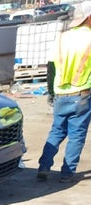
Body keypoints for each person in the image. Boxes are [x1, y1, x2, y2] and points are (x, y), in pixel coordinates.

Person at [36, 0, 91, 183]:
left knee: (57, 131)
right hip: (82, 94)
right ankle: (67, 174)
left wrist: (51, 92)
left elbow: (50, 68)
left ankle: (44, 167)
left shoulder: (61, 38)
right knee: (76, 135)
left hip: (60, 94)